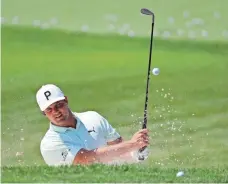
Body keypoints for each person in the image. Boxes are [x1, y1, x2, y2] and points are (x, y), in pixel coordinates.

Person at [36, 84, 150, 166]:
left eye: (58, 105)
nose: (55, 111)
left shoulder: (93, 117)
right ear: (43, 113)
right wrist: (131, 145)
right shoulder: (49, 144)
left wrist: (136, 153)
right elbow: (85, 160)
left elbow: (120, 149)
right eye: (49, 109)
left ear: (66, 100)